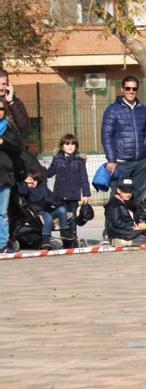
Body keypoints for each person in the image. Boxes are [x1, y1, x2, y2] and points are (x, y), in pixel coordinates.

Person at [101, 76, 146, 202]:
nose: (131, 91)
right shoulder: (112, 110)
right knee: (118, 198)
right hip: (121, 163)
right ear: (122, 89)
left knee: (138, 197)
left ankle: (137, 221)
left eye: (134, 88)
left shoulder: (142, 109)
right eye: (128, 88)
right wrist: (111, 159)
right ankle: (116, 222)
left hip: (140, 162)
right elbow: (106, 136)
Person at [47, 134, 91, 248]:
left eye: (73, 144)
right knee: (63, 218)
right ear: (62, 146)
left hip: (73, 195)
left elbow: (84, 178)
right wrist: (38, 172)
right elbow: (49, 172)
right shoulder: (57, 159)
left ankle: (73, 240)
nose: (70, 146)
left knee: (72, 219)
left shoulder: (80, 161)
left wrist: (86, 194)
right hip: (60, 195)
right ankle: (65, 241)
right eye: (67, 144)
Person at [19, 168, 72, 250]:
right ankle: (45, 241)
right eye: (29, 181)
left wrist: (54, 203)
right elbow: (23, 192)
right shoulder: (26, 189)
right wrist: (25, 183)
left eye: (34, 180)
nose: (32, 183)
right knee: (48, 217)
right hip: (38, 212)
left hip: (47, 209)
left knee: (62, 210)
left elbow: (53, 198)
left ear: (37, 180)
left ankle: (64, 234)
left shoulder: (43, 188)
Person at [0, 100, 23, 253]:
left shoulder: (9, 129)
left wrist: (3, 143)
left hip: (4, 175)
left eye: (1, 108)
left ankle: (2, 244)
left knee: (2, 212)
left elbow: (18, 150)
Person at [105, 178, 146, 247]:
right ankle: (122, 242)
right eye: (125, 192)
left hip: (127, 231)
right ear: (118, 190)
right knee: (145, 238)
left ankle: (126, 242)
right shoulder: (114, 204)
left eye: (130, 192)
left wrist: (140, 222)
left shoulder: (128, 202)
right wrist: (134, 227)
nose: (128, 194)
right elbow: (117, 223)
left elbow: (134, 216)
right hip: (118, 232)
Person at [0, 69, 30, 134]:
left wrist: (11, 102)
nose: (1, 88)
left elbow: (24, 125)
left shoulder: (15, 102)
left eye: (4, 84)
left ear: (8, 85)